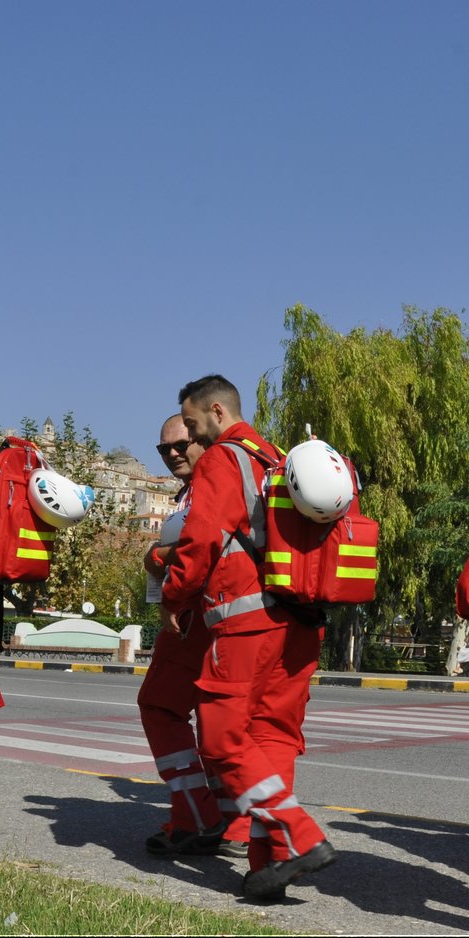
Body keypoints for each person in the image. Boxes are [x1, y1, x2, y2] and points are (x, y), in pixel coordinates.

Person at [162, 375, 336, 901]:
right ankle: (271, 865)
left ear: (217, 412)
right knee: (271, 738)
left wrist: (174, 595)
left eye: (192, 424)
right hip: (299, 621)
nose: (191, 437)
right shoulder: (276, 458)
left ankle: (299, 834)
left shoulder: (223, 458)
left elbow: (201, 538)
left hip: (245, 621)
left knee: (220, 738)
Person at [136, 413, 249, 857]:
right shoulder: (226, 476)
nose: (173, 454)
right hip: (228, 617)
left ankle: (198, 816)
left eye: (182, 443)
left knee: (161, 706)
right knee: (221, 722)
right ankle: (234, 820)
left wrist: (156, 556)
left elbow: (199, 547)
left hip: (199, 616)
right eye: (164, 449)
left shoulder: (212, 481)